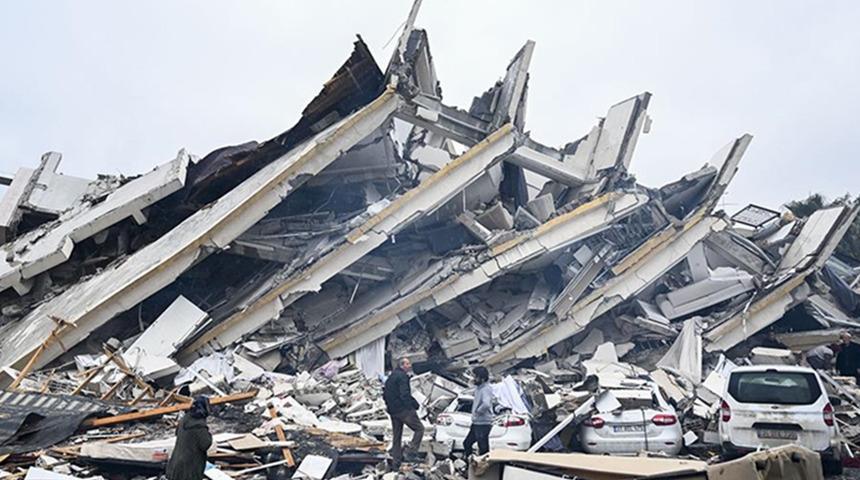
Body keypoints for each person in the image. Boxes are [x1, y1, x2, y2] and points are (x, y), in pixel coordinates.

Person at [383, 357, 424, 468]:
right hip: (403, 410)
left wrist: (389, 406)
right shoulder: (402, 377)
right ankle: (411, 451)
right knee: (419, 429)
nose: (409, 365)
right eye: (407, 364)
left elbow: (385, 393)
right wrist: (411, 406)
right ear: (401, 365)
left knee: (397, 436)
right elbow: (404, 394)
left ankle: (396, 462)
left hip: (393, 411)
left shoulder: (391, 377)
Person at [166, 396, 213, 480]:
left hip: (175, 463)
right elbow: (205, 444)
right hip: (190, 468)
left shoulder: (184, 419)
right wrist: (209, 434)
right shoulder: (199, 426)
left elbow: (177, 433)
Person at [463, 366, 495, 458]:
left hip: (483, 423)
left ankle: (483, 467)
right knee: (467, 443)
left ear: (482, 378)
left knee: (483, 448)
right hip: (477, 422)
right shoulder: (479, 388)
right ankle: (469, 463)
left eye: (475, 377)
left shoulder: (486, 389)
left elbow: (486, 404)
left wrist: (477, 412)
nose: (474, 379)